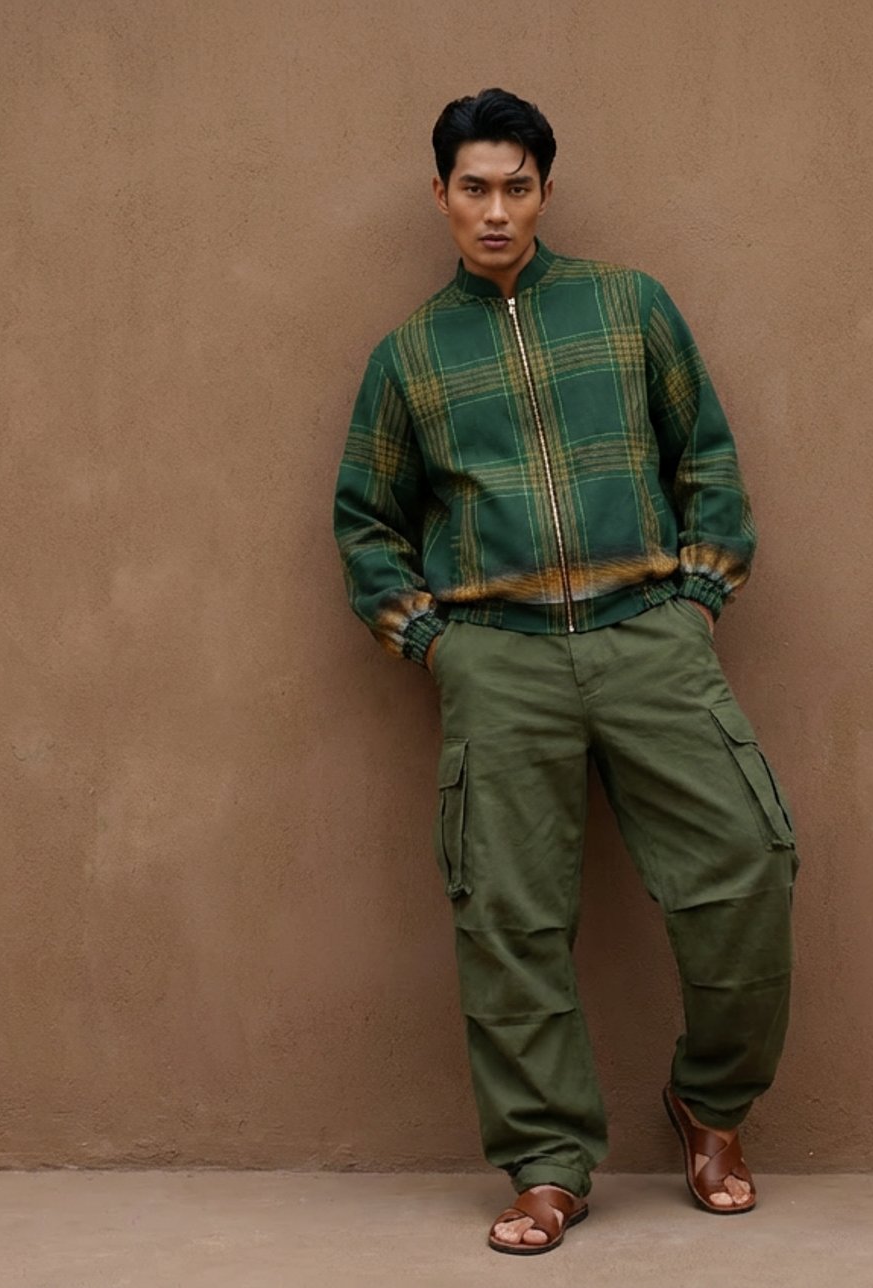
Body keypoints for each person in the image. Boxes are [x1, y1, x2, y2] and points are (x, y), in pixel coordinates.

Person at [331, 87, 799, 1256]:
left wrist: (698, 598)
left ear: (546, 189)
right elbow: (364, 524)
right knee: (510, 920)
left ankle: (712, 1105)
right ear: (439, 195)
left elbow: (709, 458)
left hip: (652, 636)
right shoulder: (408, 359)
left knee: (745, 870)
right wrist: (439, 645)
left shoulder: (628, 307)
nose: (496, 209)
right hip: (500, 662)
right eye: (474, 187)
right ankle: (547, 1164)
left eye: (517, 185)